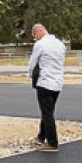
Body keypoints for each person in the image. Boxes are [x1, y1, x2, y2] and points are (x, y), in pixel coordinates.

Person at [27, 23, 66, 152]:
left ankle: (52, 143)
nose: (35, 38)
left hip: (44, 82)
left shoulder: (40, 44)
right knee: (48, 111)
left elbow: (32, 63)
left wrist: (30, 75)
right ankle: (41, 137)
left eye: (35, 36)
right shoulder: (60, 44)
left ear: (37, 32)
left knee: (47, 113)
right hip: (57, 82)